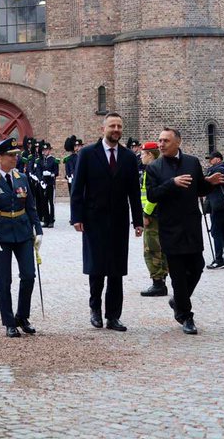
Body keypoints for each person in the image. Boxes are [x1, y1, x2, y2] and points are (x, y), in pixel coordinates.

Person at [144, 127, 224, 334]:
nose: (161, 144)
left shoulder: (191, 162)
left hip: (191, 225)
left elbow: (198, 189)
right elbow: (153, 195)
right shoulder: (154, 168)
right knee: (178, 274)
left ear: (177, 142)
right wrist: (172, 183)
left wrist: (211, 184)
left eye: (165, 141)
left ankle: (179, 300)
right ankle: (185, 316)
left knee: (197, 266)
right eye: (160, 140)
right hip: (170, 228)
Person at [69, 112, 144, 332]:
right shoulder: (87, 154)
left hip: (119, 220)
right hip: (94, 219)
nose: (116, 130)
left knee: (116, 269)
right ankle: (95, 310)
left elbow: (133, 192)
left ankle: (113, 316)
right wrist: (77, 217)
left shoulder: (129, 157)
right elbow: (77, 188)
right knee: (96, 267)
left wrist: (137, 221)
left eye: (119, 126)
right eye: (112, 126)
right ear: (104, 129)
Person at [0, 137, 43, 338]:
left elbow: (31, 206)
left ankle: (22, 316)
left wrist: (38, 229)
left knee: (28, 275)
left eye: (16, 155)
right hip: (2, 234)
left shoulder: (21, 178)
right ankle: (9, 322)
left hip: (23, 232)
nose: (15, 158)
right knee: (4, 280)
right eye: (11, 155)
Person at [137, 141, 168, 297]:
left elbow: (152, 195)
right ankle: (162, 280)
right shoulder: (162, 166)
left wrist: (146, 214)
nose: (141, 157)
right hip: (161, 214)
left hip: (152, 215)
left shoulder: (151, 169)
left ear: (149, 154)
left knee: (152, 249)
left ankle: (158, 283)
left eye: (142, 154)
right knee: (161, 249)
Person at [204, 151, 224, 269]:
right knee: (223, 231)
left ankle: (219, 259)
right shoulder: (222, 169)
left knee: (216, 232)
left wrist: (206, 178)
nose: (209, 162)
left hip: (218, 204)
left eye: (211, 159)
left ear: (218, 159)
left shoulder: (219, 170)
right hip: (218, 204)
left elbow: (206, 182)